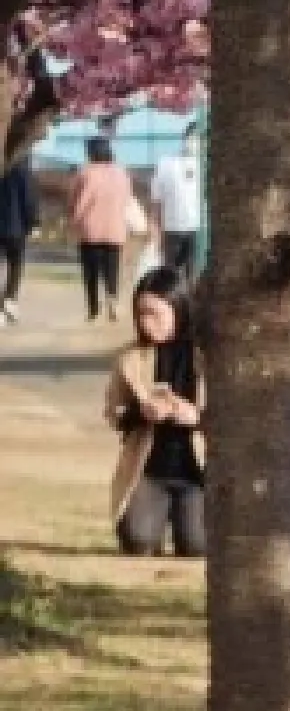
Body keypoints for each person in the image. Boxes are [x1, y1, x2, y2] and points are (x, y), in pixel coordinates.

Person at [105, 267, 206, 558]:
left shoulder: (207, 357)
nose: (147, 323)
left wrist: (196, 417)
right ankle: (154, 512)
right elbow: (115, 413)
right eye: (141, 314)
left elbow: (233, 418)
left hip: (198, 472)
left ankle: (189, 514)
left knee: (197, 547)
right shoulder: (131, 358)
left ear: (179, 308)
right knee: (138, 541)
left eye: (155, 314)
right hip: (150, 469)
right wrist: (142, 412)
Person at [69, 133, 142, 322]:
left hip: (90, 230)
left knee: (91, 271)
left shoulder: (86, 173)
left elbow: (78, 201)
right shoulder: (121, 173)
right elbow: (127, 198)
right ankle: (113, 301)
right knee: (112, 269)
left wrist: (74, 220)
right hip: (115, 228)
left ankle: (93, 309)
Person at [151, 123, 203, 276]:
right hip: (172, 228)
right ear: (184, 138)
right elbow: (156, 202)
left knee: (193, 271)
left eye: (198, 138)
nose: (193, 141)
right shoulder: (166, 164)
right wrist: (156, 230)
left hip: (197, 229)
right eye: (191, 137)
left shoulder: (206, 166)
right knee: (170, 272)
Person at [0, 152, 37, 323]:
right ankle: (9, 299)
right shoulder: (22, 166)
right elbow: (28, 198)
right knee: (15, 263)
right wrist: (33, 222)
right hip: (15, 226)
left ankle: (5, 302)